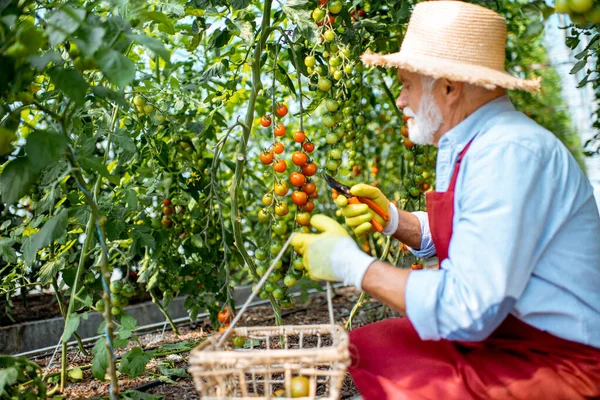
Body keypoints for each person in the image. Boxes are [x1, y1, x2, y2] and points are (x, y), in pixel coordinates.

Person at [290, 1, 600, 399]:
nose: (400, 100)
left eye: (405, 84)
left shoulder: (507, 153)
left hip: (565, 362)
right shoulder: (480, 143)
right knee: (374, 343)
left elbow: (466, 310)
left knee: (407, 374)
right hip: (516, 332)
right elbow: (478, 237)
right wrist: (393, 221)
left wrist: (352, 266)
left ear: (450, 87)